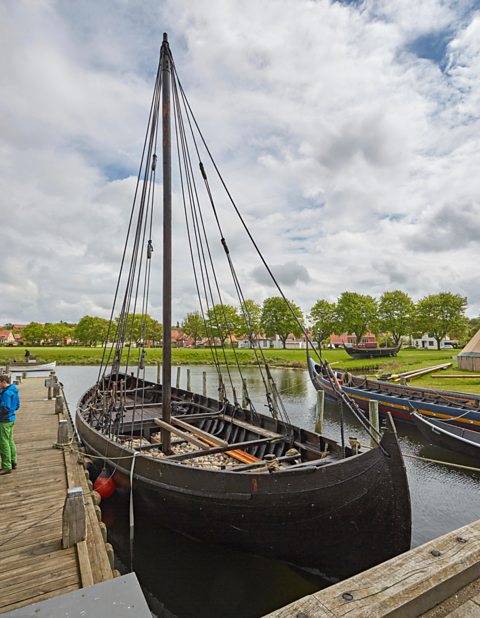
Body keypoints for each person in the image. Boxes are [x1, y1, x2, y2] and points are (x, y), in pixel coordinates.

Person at [0, 374, 20, 474]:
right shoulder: (14, 390)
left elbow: (5, 408)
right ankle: (13, 462)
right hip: (11, 419)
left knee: (3, 443)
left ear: (3, 382)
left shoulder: (6, 393)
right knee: (10, 440)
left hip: (4, 420)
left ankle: (6, 466)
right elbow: (17, 406)